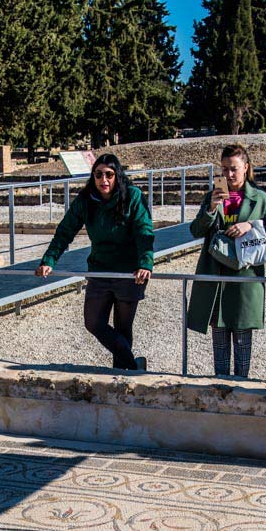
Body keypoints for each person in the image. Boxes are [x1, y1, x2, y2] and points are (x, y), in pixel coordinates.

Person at [35, 154, 154, 371]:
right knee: (93, 322)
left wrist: (146, 262)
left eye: (109, 174)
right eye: (98, 175)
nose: (104, 180)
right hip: (100, 270)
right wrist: (49, 259)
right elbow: (65, 230)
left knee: (123, 328)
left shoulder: (133, 196)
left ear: (117, 176)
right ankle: (135, 367)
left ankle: (122, 380)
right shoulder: (87, 200)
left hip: (128, 273)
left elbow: (143, 230)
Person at [186, 143, 266, 378]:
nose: (228, 174)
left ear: (246, 168)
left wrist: (251, 226)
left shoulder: (260, 200)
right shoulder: (213, 196)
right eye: (224, 169)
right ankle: (220, 385)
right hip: (216, 274)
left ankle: (242, 385)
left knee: (242, 336)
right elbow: (196, 231)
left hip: (244, 276)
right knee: (219, 336)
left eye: (234, 169)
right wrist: (210, 209)